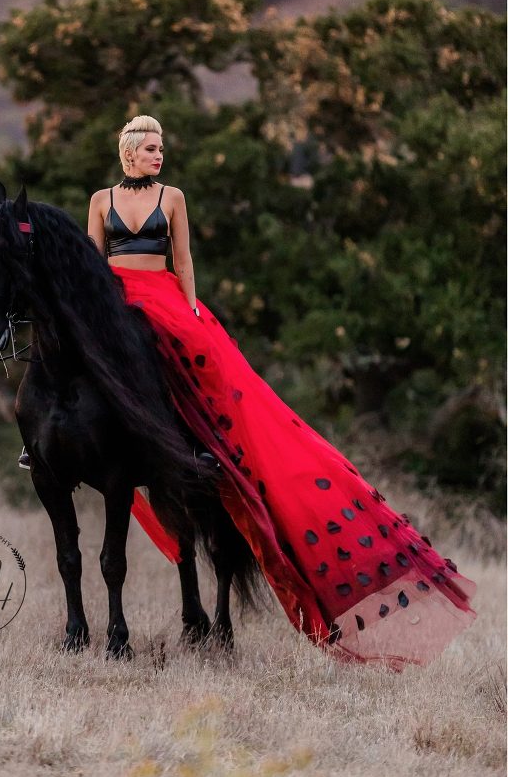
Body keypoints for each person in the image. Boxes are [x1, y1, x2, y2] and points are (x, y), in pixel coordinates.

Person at [83, 114, 476, 669]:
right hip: (115, 299)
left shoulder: (173, 198)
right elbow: (91, 264)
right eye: (151, 148)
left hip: (165, 300)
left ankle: (199, 446)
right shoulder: (100, 200)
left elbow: (184, 261)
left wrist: (191, 313)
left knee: (204, 375)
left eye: (161, 147)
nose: (159, 155)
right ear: (129, 152)